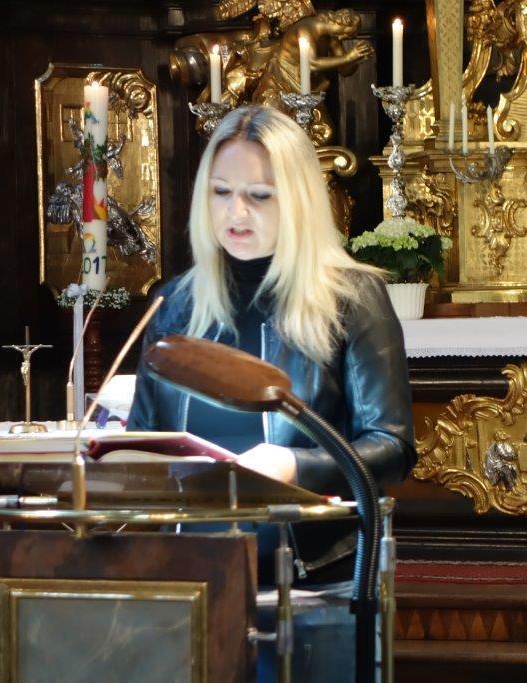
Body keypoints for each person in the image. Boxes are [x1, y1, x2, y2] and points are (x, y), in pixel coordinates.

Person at [128, 105, 415, 682]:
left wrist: (292, 464)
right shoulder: (175, 305)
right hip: (191, 584)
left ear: (298, 200)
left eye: (259, 196)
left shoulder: (352, 298)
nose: (235, 212)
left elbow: (392, 446)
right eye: (221, 192)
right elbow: (143, 440)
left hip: (313, 589)